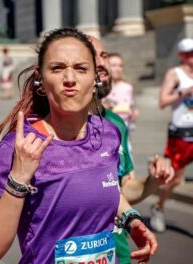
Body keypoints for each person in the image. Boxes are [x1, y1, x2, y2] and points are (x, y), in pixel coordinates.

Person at [0, 28, 157, 264]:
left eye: (81, 69)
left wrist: (132, 220)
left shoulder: (109, 134)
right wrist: (18, 179)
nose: (70, 79)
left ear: (95, 79)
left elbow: (106, 186)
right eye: (57, 68)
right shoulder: (19, 146)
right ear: (41, 80)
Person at [89, 36, 174, 264]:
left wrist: (154, 180)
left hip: (117, 253)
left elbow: (122, 189)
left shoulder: (116, 124)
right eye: (91, 55)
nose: (102, 64)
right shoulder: (43, 129)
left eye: (104, 55)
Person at [152, 37, 193, 232]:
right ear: (181, 56)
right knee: (175, 179)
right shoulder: (174, 74)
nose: (192, 57)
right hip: (182, 134)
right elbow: (162, 102)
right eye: (188, 54)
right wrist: (183, 93)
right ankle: (158, 207)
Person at [103, 52, 138, 128]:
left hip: (124, 129)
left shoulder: (127, 87)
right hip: (107, 130)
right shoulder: (101, 87)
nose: (118, 69)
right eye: (114, 65)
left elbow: (131, 107)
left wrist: (133, 113)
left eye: (120, 66)